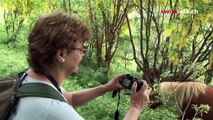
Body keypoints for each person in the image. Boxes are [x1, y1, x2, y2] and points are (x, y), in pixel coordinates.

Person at [9, 11, 149, 120]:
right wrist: (136, 107)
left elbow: (70, 98)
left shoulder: (28, 77)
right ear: (61, 54)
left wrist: (107, 87)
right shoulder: (54, 110)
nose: (83, 53)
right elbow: (60, 106)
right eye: (81, 48)